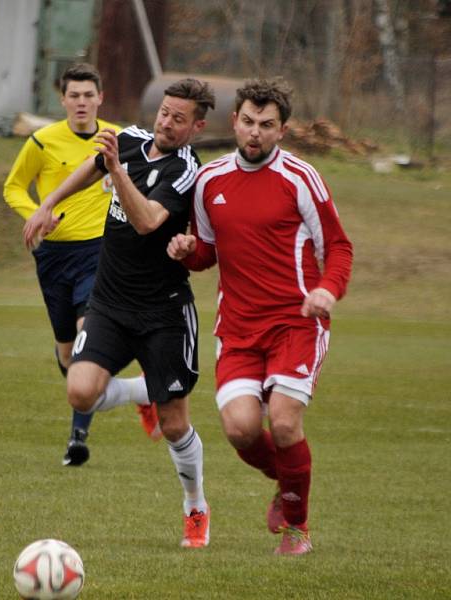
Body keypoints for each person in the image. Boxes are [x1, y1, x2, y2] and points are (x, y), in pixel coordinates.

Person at [24, 78, 216, 548]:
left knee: (174, 425)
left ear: (197, 126)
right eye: (164, 112)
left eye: (178, 118)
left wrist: (118, 171)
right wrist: (48, 203)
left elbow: (148, 219)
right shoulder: (129, 140)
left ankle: (195, 504)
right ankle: (141, 393)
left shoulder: (187, 169)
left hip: (163, 312)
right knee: (79, 391)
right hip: (110, 302)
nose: (166, 123)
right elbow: (93, 169)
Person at [167, 78, 354, 555]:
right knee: (240, 429)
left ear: (282, 131)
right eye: (248, 122)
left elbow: (338, 246)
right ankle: (287, 478)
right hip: (238, 329)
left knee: (286, 422)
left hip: (295, 323)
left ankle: (297, 528)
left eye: (266, 126)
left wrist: (327, 291)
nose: (255, 133)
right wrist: (188, 251)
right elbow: (208, 252)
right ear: (234, 121)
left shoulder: (301, 178)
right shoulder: (210, 181)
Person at [4, 63, 157, 467]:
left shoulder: (116, 139)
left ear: (100, 98)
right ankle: (140, 392)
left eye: (89, 95)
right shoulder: (41, 142)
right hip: (54, 257)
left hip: (102, 254)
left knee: (88, 338)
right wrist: (36, 212)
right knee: (68, 356)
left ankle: (77, 439)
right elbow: (13, 186)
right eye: (74, 95)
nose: (82, 102)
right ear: (63, 99)